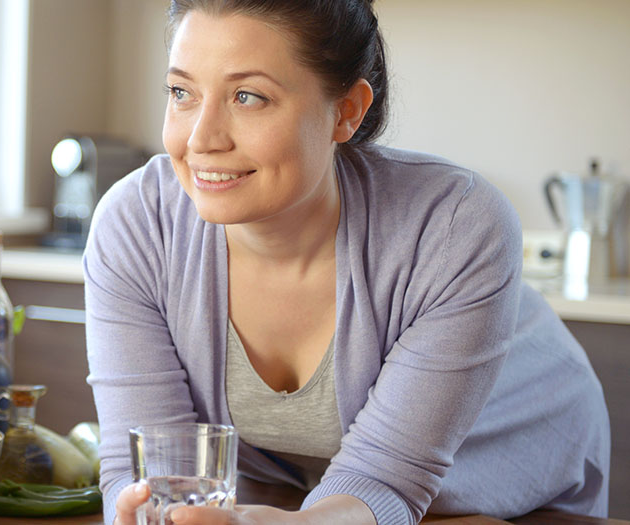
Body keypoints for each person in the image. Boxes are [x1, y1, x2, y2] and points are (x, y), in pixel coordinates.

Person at [82, 1, 611, 524]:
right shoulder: (136, 224)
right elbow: (149, 473)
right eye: (182, 93)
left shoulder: (455, 224)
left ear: (347, 111)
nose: (200, 139)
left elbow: (386, 481)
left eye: (248, 96)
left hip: (494, 463)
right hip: (298, 492)